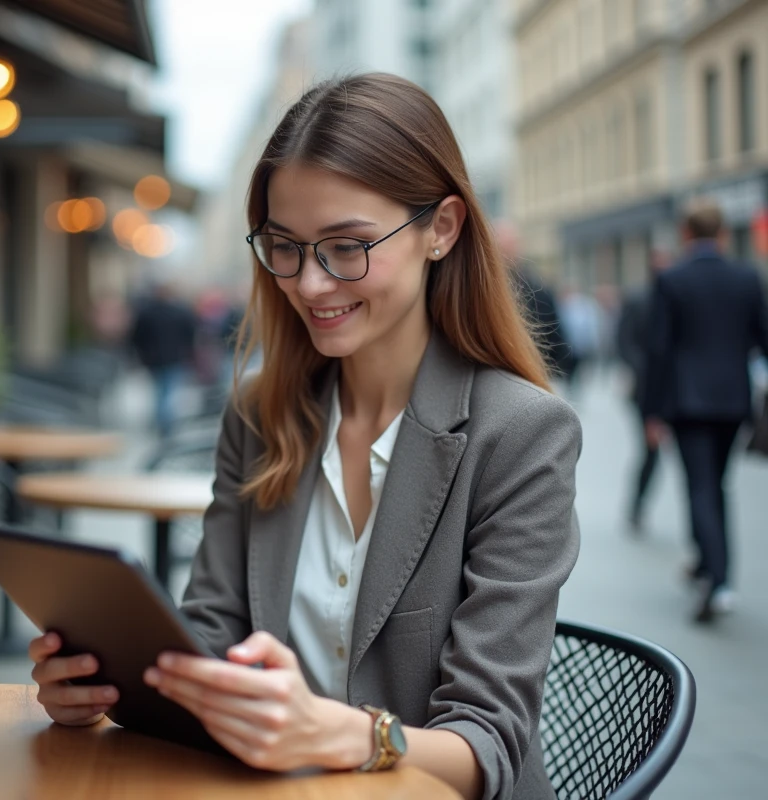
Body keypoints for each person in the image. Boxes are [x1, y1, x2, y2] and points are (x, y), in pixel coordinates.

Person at [29, 74, 580, 800]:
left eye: (347, 247)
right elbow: (212, 630)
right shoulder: (261, 416)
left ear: (442, 229)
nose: (311, 284)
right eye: (284, 246)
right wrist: (111, 684)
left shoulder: (520, 434)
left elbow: (490, 742)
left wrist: (346, 734)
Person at [642, 199, 768, 623]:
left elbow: (658, 350)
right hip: (733, 400)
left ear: (685, 233)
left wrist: (651, 411)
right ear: (723, 234)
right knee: (717, 484)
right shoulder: (747, 277)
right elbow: (763, 338)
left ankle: (717, 581)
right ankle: (710, 567)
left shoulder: (672, 279)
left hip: (688, 402)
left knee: (700, 486)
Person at [615, 250, 672, 530]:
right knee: (650, 451)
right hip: (646, 389)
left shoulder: (676, 299)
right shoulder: (638, 299)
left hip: (675, 391)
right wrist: (640, 370)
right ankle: (637, 505)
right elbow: (624, 340)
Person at [495, 221, 572, 380]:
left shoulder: (539, 289)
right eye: (502, 246)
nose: (506, 253)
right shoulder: (484, 287)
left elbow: (556, 338)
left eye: (511, 245)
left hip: (535, 373)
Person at [129, 282, 198, 437]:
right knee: (168, 390)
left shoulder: (147, 312)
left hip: (154, 359)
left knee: (161, 391)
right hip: (174, 357)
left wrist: (142, 353)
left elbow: (136, 337)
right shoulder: (179, 312)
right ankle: (165, 422)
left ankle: (162, 421)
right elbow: (190, 333)